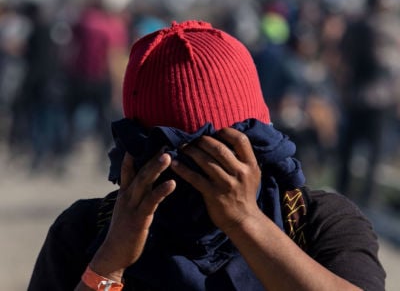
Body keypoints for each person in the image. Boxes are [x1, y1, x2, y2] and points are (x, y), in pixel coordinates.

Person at [28, 20, 385, 291]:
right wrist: (109, 264)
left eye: (221, 155)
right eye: (172, 157)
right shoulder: (85, 232)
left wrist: (246, 222)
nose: (198, 178)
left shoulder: (316, 222)